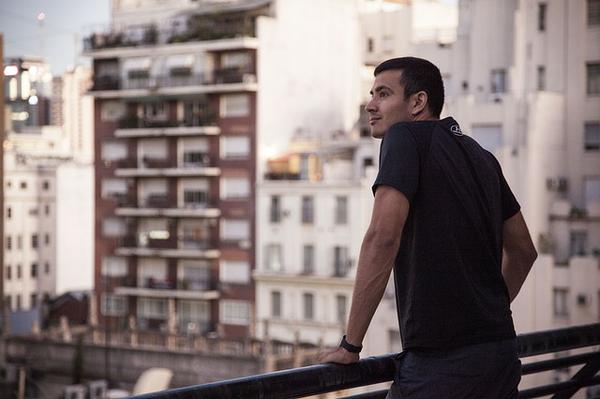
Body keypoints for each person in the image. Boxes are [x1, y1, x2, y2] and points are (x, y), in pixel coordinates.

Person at [319, 57, 538, 398]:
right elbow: (524, 251)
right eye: (372, 94)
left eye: (383, 94)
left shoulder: (404, 137)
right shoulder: (482, 157)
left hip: (442, 364)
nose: (370, 104)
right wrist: (487, 312)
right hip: (499, 354)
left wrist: (351, 344)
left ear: (418, 102)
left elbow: (382, 237)